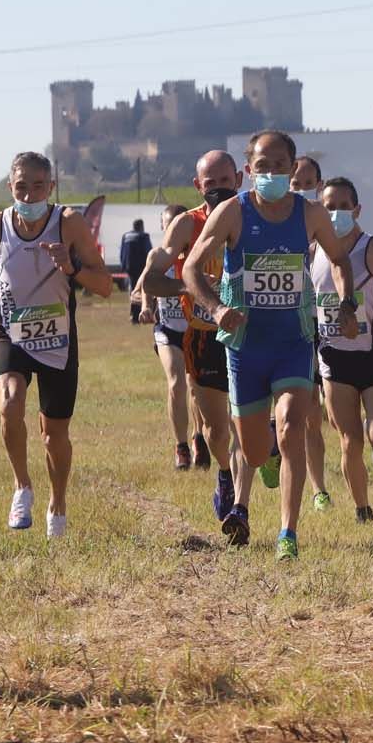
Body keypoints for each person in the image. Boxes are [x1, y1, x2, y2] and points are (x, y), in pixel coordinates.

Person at [184, 130, 360, 562]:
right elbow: (191, 268)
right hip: (245, 345)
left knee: (292, 426)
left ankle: (288, 533)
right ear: (249, 171)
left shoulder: (310, 214)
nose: (271, 173)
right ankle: (262, 461)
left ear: (293, 168)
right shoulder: (232, 212)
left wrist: (347, 302)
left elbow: (338, 259)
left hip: (292, 341)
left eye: (280, 166)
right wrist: (216, 307)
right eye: (262, 166)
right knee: (257, 447)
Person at [0, 151, 114, 537]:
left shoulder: (68, 224)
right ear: (11, 187)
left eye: (37, 187)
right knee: (10, 404)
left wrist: (72, 267)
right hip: (10, 330)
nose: (29, 196)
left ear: (51, 187)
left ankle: (57, 504)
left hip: (57, 338)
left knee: (54, 435)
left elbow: (105, 286)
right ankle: (22, 488)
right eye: (21, 187)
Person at [137, 150, 244, 539]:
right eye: (209, 183)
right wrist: (192, 285)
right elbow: (151, 279)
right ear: (198, 186)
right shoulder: (186, 223)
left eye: (224, 181)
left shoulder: (257, 216)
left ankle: (253, 473)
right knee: (217, 430)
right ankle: (225, 473)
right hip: (203, 335)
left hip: (252, 335)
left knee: (252, 421)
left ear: (240, 179)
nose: (217, 189)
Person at [313, 176, 373, 523]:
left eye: (343, 206)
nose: (336, 213)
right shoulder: (311, 252)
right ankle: (363, 509)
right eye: (328, 207)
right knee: (349, 439)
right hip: (333, 358)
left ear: (357, 209)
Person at [138, 203, 205, 471]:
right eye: (169, 224)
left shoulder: (197, 255)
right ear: (163, 227)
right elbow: (146, 283)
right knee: (177, 382)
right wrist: (145, 307)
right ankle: (181, 447)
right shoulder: (158, 256)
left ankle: (200, 437)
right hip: (167, 330)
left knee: (197, 389)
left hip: (196, 330)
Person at [289, 156, 334, 511]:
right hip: (289, 329)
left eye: (309, 184)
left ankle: (319, 488)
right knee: (304, 414)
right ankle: (317, 489)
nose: (302, 190)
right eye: (295, 183)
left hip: (324, 330)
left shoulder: (327, 227)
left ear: (319, 185)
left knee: (321, 416)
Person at [120, 219, 152, 323]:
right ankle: (137, 315)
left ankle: (132, 313)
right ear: (141, 226)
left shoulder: (125, 236)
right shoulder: (143, 236)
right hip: (141, 268)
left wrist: (123, 266)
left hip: (129, 268)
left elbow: (121, 252)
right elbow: (149, 252)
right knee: (140, 290)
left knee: (132, 289)